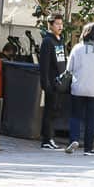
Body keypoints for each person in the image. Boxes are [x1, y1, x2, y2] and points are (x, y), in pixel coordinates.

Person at [64, 23, 94, 156]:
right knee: (90, 118)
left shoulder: (77, 48)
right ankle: (88, 148)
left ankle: (73, 140)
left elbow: (69, 69)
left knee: (75, 116)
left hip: (77, 88)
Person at [38, 14, 66, 150]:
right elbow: (43, 65)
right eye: (57, 24)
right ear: (50, 25)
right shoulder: (47, 41)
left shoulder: (60, 41)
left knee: (55, 110)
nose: (60, 26)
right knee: (49, 111)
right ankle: (46, 139)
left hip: (60, 82)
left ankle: (51, 137)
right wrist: (45, 83)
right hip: (51, 82)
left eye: (61, 24)